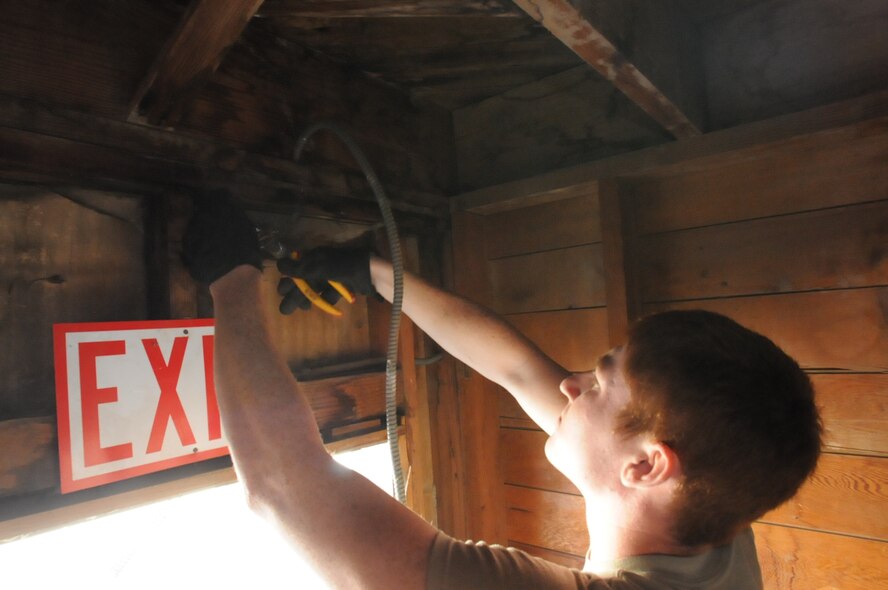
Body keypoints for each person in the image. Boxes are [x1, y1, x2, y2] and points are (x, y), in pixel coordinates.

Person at [183, 196, 822, 589]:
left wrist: (233, 281)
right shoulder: (715, 512)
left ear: (648, 464)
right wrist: (375, 273)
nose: (569, 385)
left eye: (598, 387)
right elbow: (516, 369)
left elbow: (284, 484)